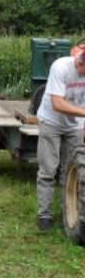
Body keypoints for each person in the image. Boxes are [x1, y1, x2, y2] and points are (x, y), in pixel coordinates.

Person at [36, 50, 85, 230]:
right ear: (79, 61)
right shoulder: (60, 67)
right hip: (51, 122)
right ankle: (44, 214)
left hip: (75, 126)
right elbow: (58, 104)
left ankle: (68, 212)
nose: (82, 72)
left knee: (72, 170)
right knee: (48, 169)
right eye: (82, 67)